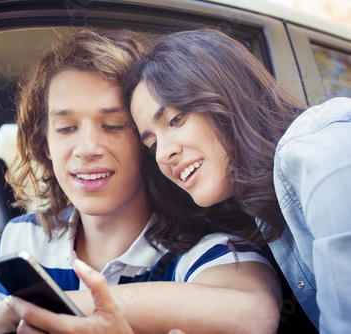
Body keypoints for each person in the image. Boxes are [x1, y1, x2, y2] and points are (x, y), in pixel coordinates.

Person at [0, 29, 281, 334]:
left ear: (146, 144)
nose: (86, 149)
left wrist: (25, 308)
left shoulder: (204, 249)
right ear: (46, 146)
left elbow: (253, 315)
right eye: (66, 128)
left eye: (112, 126)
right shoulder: (25, 237)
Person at [127, 28, 351, 333]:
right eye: (152, 144)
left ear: (227, 94)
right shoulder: (258, 215)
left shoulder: (318, 148)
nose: (164, 154)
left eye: (176, 119)